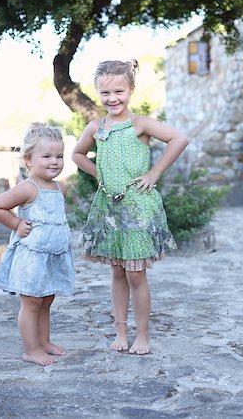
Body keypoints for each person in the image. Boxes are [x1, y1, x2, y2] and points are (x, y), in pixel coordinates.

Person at [72, 59, 189, 355]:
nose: (112, 99)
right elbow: (77, 154)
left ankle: (143, 336)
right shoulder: (96, 126)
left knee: (136, 273)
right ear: (98, 93)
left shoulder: (140, 124)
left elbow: (179, 138)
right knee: (117, 272)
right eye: (105, 93)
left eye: (119, 92)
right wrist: (100, 173)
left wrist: (155, 173)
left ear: (131, 90)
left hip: (138, 207)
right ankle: (120, 331)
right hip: (109, 209)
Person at [0, 122, 74, 366]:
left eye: (59, 156)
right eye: (46, 156)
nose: (54, 161)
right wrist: (16, 223)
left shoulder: (60, 188)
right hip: (33, 258)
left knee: (47, 300)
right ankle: (31, 349)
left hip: (53, 256)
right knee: (32, 303)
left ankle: (44, 342)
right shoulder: (28, 188)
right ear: (28, 159)